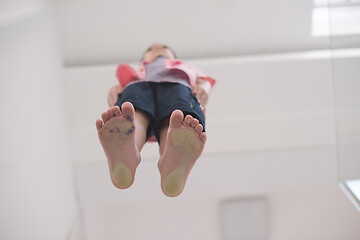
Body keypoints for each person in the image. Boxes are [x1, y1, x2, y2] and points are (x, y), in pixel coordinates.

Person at [95, 43, 216, 197]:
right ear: (142, 60)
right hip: (139, 86)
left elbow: (204, 80)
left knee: (176, 121)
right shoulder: (135, 73)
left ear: (174, 57)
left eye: (164, 48)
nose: (157, 48)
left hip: (177, 85)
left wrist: (204, 88)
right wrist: (115, 90)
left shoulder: (185, 67)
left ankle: (170, 159)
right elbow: (118, 89)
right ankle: (129, 150)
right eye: (150, 50)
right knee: (132, 114)